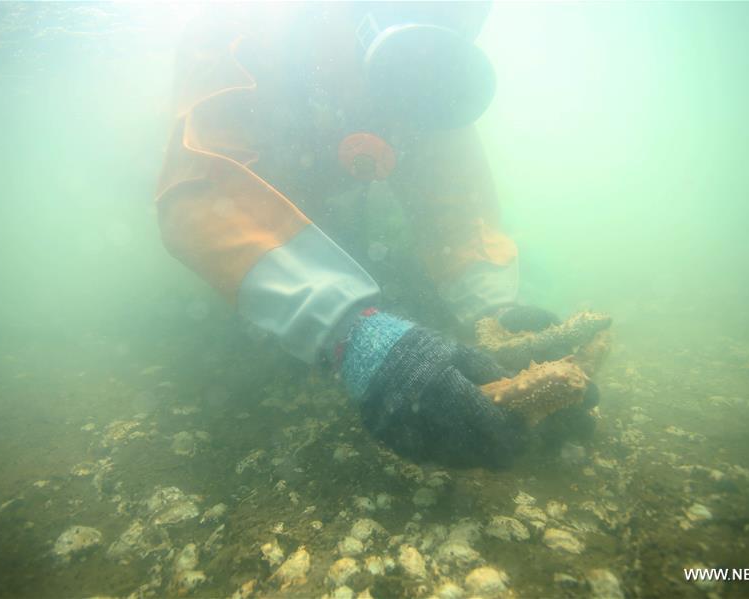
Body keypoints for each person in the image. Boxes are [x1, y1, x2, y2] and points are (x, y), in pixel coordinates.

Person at [156, 2, 571, 469]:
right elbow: (195, 194)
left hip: (335, 217)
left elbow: (455, 204)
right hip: (246, 220)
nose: (409, 75)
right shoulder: (237, 30)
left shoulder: (427, 74)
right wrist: (348, 331)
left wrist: (495, 310)